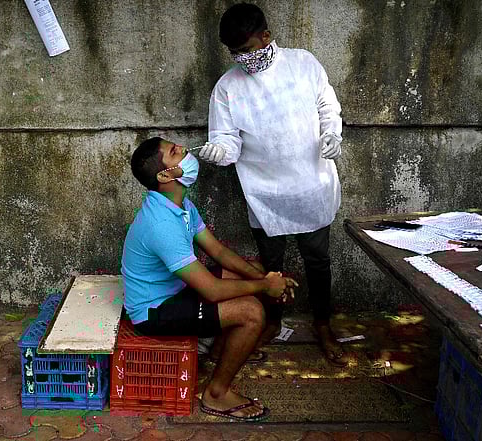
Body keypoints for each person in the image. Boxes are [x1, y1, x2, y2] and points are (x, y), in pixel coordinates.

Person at [197, 3, 347, 366]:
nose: (244, 59)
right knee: (270, 266)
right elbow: (227, 139)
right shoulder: (228, 87)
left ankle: (323, 324)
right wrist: (220, 151)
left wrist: (332, 132)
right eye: (236, 53)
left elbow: (328, 105)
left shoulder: (303, 64)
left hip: (311, 185)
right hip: (264, 194)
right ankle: (273, 322)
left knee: (318, 261)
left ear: (266, 36)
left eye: (248, 49)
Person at [121, 137, 298, 421]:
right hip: (154, 311)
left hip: (175, 289)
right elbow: (212, 290)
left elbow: (216, 250)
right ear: (166, 175)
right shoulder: (161, 224)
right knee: (251, 312)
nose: (185, 150)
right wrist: (266, 287)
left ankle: (220, 350)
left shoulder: (180, 205)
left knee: (249, 268)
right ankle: (216, 395)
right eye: (174, 152)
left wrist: (265, 277)